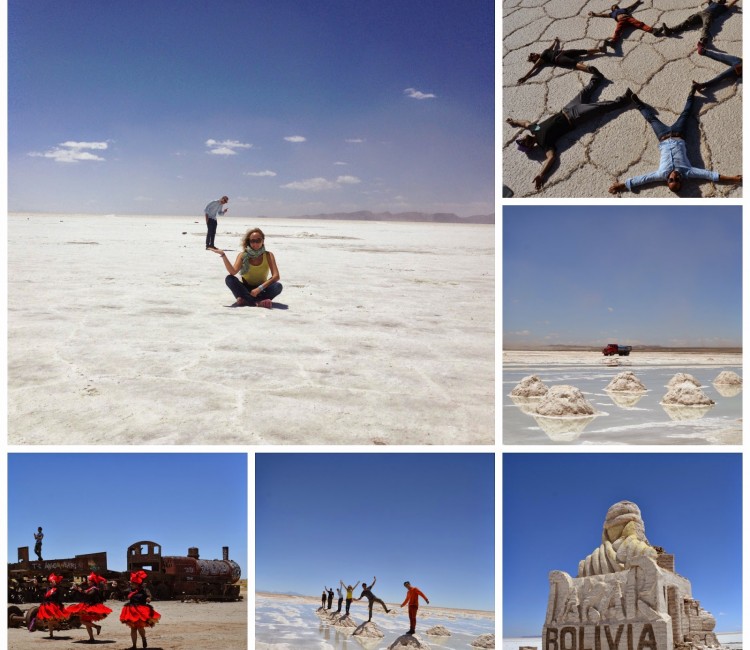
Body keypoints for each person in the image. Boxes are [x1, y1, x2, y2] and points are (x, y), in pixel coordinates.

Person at [507, 74, 633, 189]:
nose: (522, 138)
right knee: (600, 107)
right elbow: (551, 158)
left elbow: (525, 123)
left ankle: (597, 78)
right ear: (529, 146)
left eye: (520, 139)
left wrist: (514, 122)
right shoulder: (544, 144)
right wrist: (541, 174)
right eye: (522, 142)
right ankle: (624, 100)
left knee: (584, 92)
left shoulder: (535, 130)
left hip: (567, 109)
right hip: (574, 118)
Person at [608, 88, 742, 194]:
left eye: (671, 180)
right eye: (677, 180)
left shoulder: (661, 174)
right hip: (679, 133)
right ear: (681, 180)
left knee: (652, 120)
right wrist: (732, 179)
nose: (674, 177)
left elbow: (641, 180)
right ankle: (692, 94)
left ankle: (637, 103)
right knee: (686, 114)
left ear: (668, 180)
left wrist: (621, 186)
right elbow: (710, 175)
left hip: (663, 136)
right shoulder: (688, 172)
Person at [211, 227, 283, 309]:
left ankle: (247, 300)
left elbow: (276, 276)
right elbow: (233, 272)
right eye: (252, 241)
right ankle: (257, 302)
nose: (255, 244)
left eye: (258, 240)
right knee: (229, 279)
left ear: (263, 241)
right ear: (249, 242)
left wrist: (259, 289)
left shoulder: (268, 255)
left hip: (262, 288)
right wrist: (223, 255)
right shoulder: (243, 255)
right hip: (245, 289)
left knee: (278, 286)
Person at [518, 37, 606, 83]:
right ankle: (589, 69)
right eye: (532, 56)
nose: (533, 54)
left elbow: (552, 46)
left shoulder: (545, 51)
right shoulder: (540, 60)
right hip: (559, 59)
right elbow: (533, 69)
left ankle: (600, 50)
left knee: (582, 51)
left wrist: (556, 41)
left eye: (532, 53)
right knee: (574, 63)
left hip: (563, 52)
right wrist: (525, 77)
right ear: (534, 59)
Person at [588, 1, 667, 47]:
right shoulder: (612, 14)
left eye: (616, 6)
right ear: (612, 9)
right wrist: (594, 14)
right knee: (618, 31)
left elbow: (631, 7)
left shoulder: (623, 9)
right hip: (621, 21)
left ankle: (654, 31)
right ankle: (613, 43)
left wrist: (637, 2)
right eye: (613, 7)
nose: (615, 6)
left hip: (628, 18)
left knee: (640, 24)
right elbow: (603, 15)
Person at [664, 0, 739, 48]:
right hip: (700, 13)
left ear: (724, 1)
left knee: (706, 27)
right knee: (687, 22)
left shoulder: (724, 7)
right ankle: (670, 30)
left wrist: (728, 1)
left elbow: (733, 2)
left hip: (709, 15)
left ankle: (703, 41)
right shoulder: (712, 3)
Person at [65, 573, 113, 643]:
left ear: (93, 582)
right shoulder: (90, 588)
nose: (88, 582)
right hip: (86, 606)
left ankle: (97, 627)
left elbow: (88, 594)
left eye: (89, 580)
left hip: (90, 607)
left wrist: (80, 590)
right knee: (87, 623)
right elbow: (84, 594)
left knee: (83, 621)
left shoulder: (95, 589)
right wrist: (78, 589)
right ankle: (91, 638)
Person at [119, 571, 160, 649]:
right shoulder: (130, 590)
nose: (131, 585)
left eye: (133, 584)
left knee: (140, 628)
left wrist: (148, 598)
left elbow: (149, 596)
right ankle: (134, 646)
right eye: (131, 584)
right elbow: (122, 591)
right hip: (131, 611)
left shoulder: (144, 590)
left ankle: (143, 638)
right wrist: (116, 586)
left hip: (141, 611)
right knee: (133, 628)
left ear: (137, 584)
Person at [35, 573, 69, 639]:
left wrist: (56, 586)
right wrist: (36, 585)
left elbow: (61, 594)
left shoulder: (58, 589)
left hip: (54, 606)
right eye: (50, 582)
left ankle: (58, 625)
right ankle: (51, 634)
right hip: (47, 606)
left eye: (52, 582)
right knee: (48, 621)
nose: (50, 583)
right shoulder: (48, 588)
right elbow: (41, 590)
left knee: (51, 620)